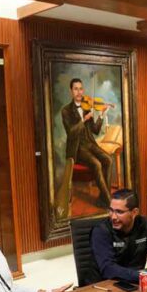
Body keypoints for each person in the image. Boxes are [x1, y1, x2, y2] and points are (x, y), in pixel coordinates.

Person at [91, 189, 147, 283]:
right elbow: (108, 268)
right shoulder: (101, 230)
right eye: (111, 210)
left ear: (134, 212)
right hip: (106, 284)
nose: (113, 217)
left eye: (119, 212)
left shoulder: (145, 225)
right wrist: (141, 276)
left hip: (136, 282)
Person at [61, 77, 113, 207]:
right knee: (97, 164)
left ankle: (103, 198)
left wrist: (101, 115)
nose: (79, 92)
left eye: (80, 89)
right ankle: (109, 200)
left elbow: (95, 130)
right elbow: (71, 132)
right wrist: (83, 120)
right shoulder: (66, 110)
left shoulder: (87, 107)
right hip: (77, 148)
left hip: (90, 144)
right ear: (71, 91)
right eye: (76, 89)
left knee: (108, 160)